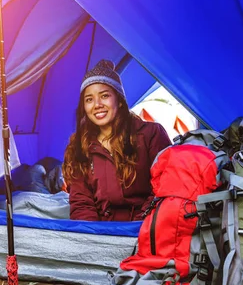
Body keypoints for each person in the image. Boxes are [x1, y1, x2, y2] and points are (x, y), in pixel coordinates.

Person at [63, 59, 171, 221]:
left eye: (104, 96)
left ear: (119, 101)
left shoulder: (151, 134)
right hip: (103, 232)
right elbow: (81, 202)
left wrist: (138, 227)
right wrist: (93, 237)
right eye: (89, 99)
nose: (97, 104)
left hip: (147, 226)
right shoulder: (78, 146)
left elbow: (165, 186)